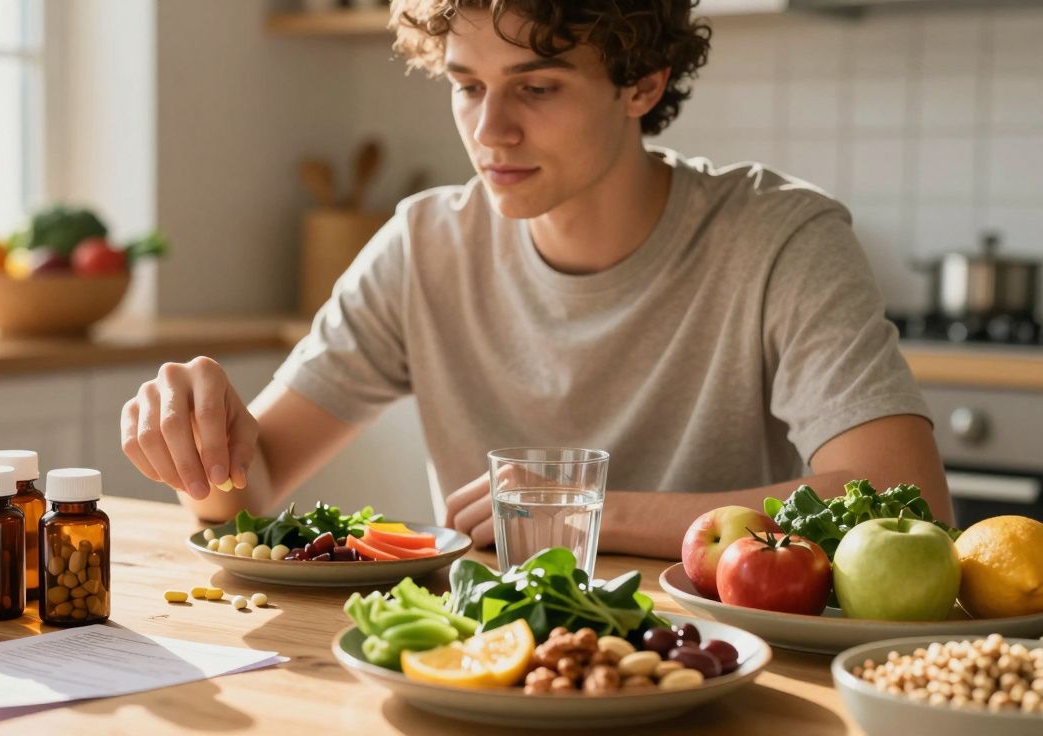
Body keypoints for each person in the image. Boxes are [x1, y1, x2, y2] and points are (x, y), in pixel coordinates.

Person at [120, 0, 952, 559]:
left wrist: (583, 512)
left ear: (643, 83)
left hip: (718, 667)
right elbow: (253, 492)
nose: (490, 130)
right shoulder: (424, 244)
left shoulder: (780, 237)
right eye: (466, 86)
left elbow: (905, 504)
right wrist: (201, 441)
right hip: (485, 668)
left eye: (537, 87)